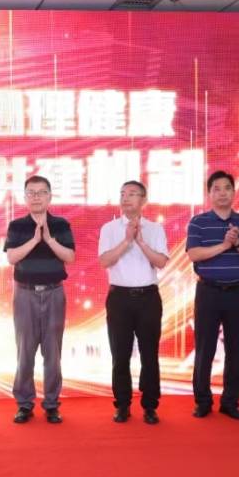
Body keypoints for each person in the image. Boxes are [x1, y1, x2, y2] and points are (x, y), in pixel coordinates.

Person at [185, 171, 239, 420]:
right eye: (216, 189)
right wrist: (225, 246)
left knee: (235, 349)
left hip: (237, 292)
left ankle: (230, 402)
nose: (222, 193)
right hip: (208, 291)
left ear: (234, 192)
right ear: (209, 194)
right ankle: (203, 402)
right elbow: (194, 254)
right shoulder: (198, 222)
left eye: (227, 188)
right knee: (204, 349)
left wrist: (237, 243)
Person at [3, 175, 75, 424]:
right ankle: (24, 404)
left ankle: (52, 404)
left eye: (41, 192)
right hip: (25, 294)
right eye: (31, 193)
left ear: (49, 196)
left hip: (54, 293)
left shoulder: (61, 224)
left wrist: (49, 240)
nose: (36, 197)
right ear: (25, 197)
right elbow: (12, 258)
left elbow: (70, 257)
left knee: (52, 352)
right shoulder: (17, 226)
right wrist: (34, 240)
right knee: (25, 351)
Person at [97, 180, 169, 425]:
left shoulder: (155, 229)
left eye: (132, 194)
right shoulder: (109, 229)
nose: (126, 198)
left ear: (144, 200)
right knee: (120, 355)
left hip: (148, 298)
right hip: (119, 298)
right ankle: (122, 405)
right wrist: (127, 240)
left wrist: (140, 241)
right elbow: (104, 261)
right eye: (122, 194)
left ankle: (150, 406)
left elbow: (161, 262)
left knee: (150, 355)